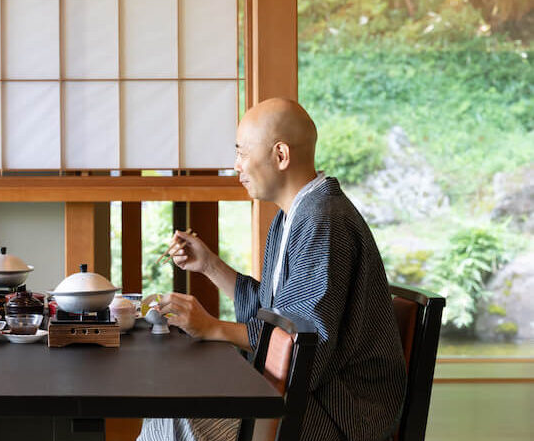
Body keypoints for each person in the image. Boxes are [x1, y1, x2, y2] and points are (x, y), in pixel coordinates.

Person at [139, 98, 406, 441]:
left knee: (176, 415)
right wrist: (209, 265)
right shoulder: (292, 216)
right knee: (172, 405)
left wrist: (213, 327)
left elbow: (304, 346)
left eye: (242, 153)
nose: (236, 166)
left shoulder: (324, 220)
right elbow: (273, 314)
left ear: (281, 155)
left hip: (339, 411)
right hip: (308, 395)